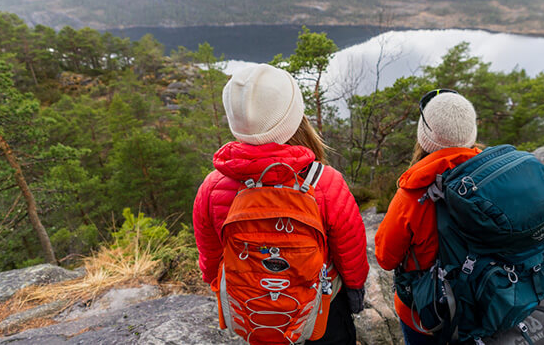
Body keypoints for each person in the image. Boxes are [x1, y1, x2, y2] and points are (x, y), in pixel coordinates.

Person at [193, 64, 369, 344]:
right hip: (320, 308)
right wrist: (355, 288)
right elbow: (351, 249)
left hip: (256, 310)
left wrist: (226, 288)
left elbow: (212, 259)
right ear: (295, 118)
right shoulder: (324, 182)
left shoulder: (213, 187)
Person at [374, 88, 481, 345]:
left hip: (427, 312)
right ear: (471, 134)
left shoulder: (411, 195)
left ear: (424, 138)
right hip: (484, 299)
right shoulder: (493, 180)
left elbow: (385, 257)